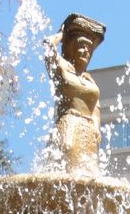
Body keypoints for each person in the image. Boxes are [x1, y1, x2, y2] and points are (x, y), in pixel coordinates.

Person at [45, 13, 105, 174]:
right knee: (67, 167)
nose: (86, 51)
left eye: (89, 48)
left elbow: (96, 108)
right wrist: (62, 36)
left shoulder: (89, 79)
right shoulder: (62, 68)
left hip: (88, 130)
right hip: (69, 123)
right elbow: (48, 47)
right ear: (71, 46)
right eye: (81, 45)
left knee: (89, 173)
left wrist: (96, 128)